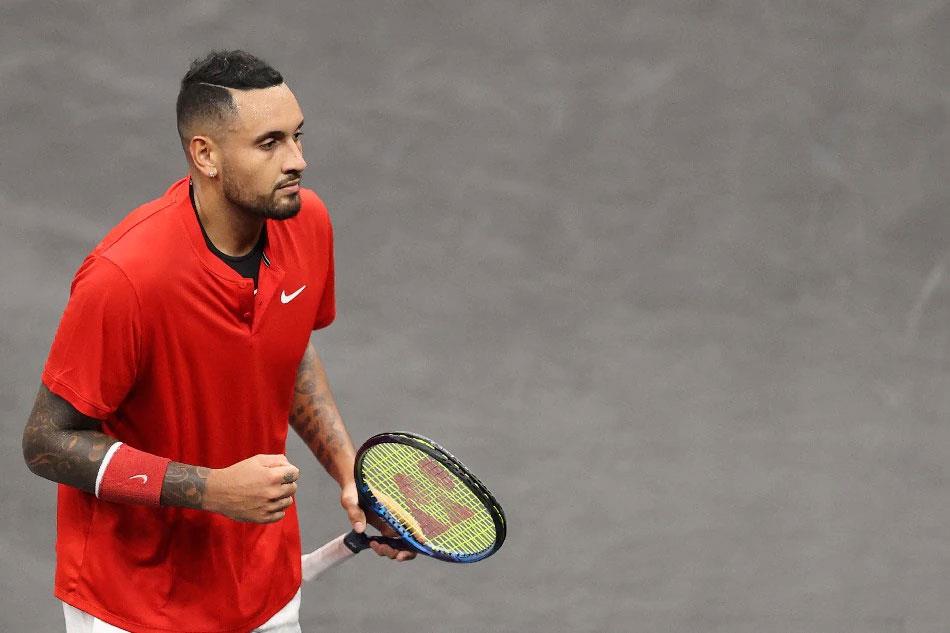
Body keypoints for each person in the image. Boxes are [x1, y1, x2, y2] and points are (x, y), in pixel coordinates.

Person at [22, 50, 413, 633]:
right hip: (134, 603)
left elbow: (288, 349)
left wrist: (347, 468)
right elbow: (46, 442)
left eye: (298, 137)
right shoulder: (126, 278)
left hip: (260, 587)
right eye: (269, 143)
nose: (298, 161)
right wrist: (209, 489)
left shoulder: (307, 224)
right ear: (205, 154)